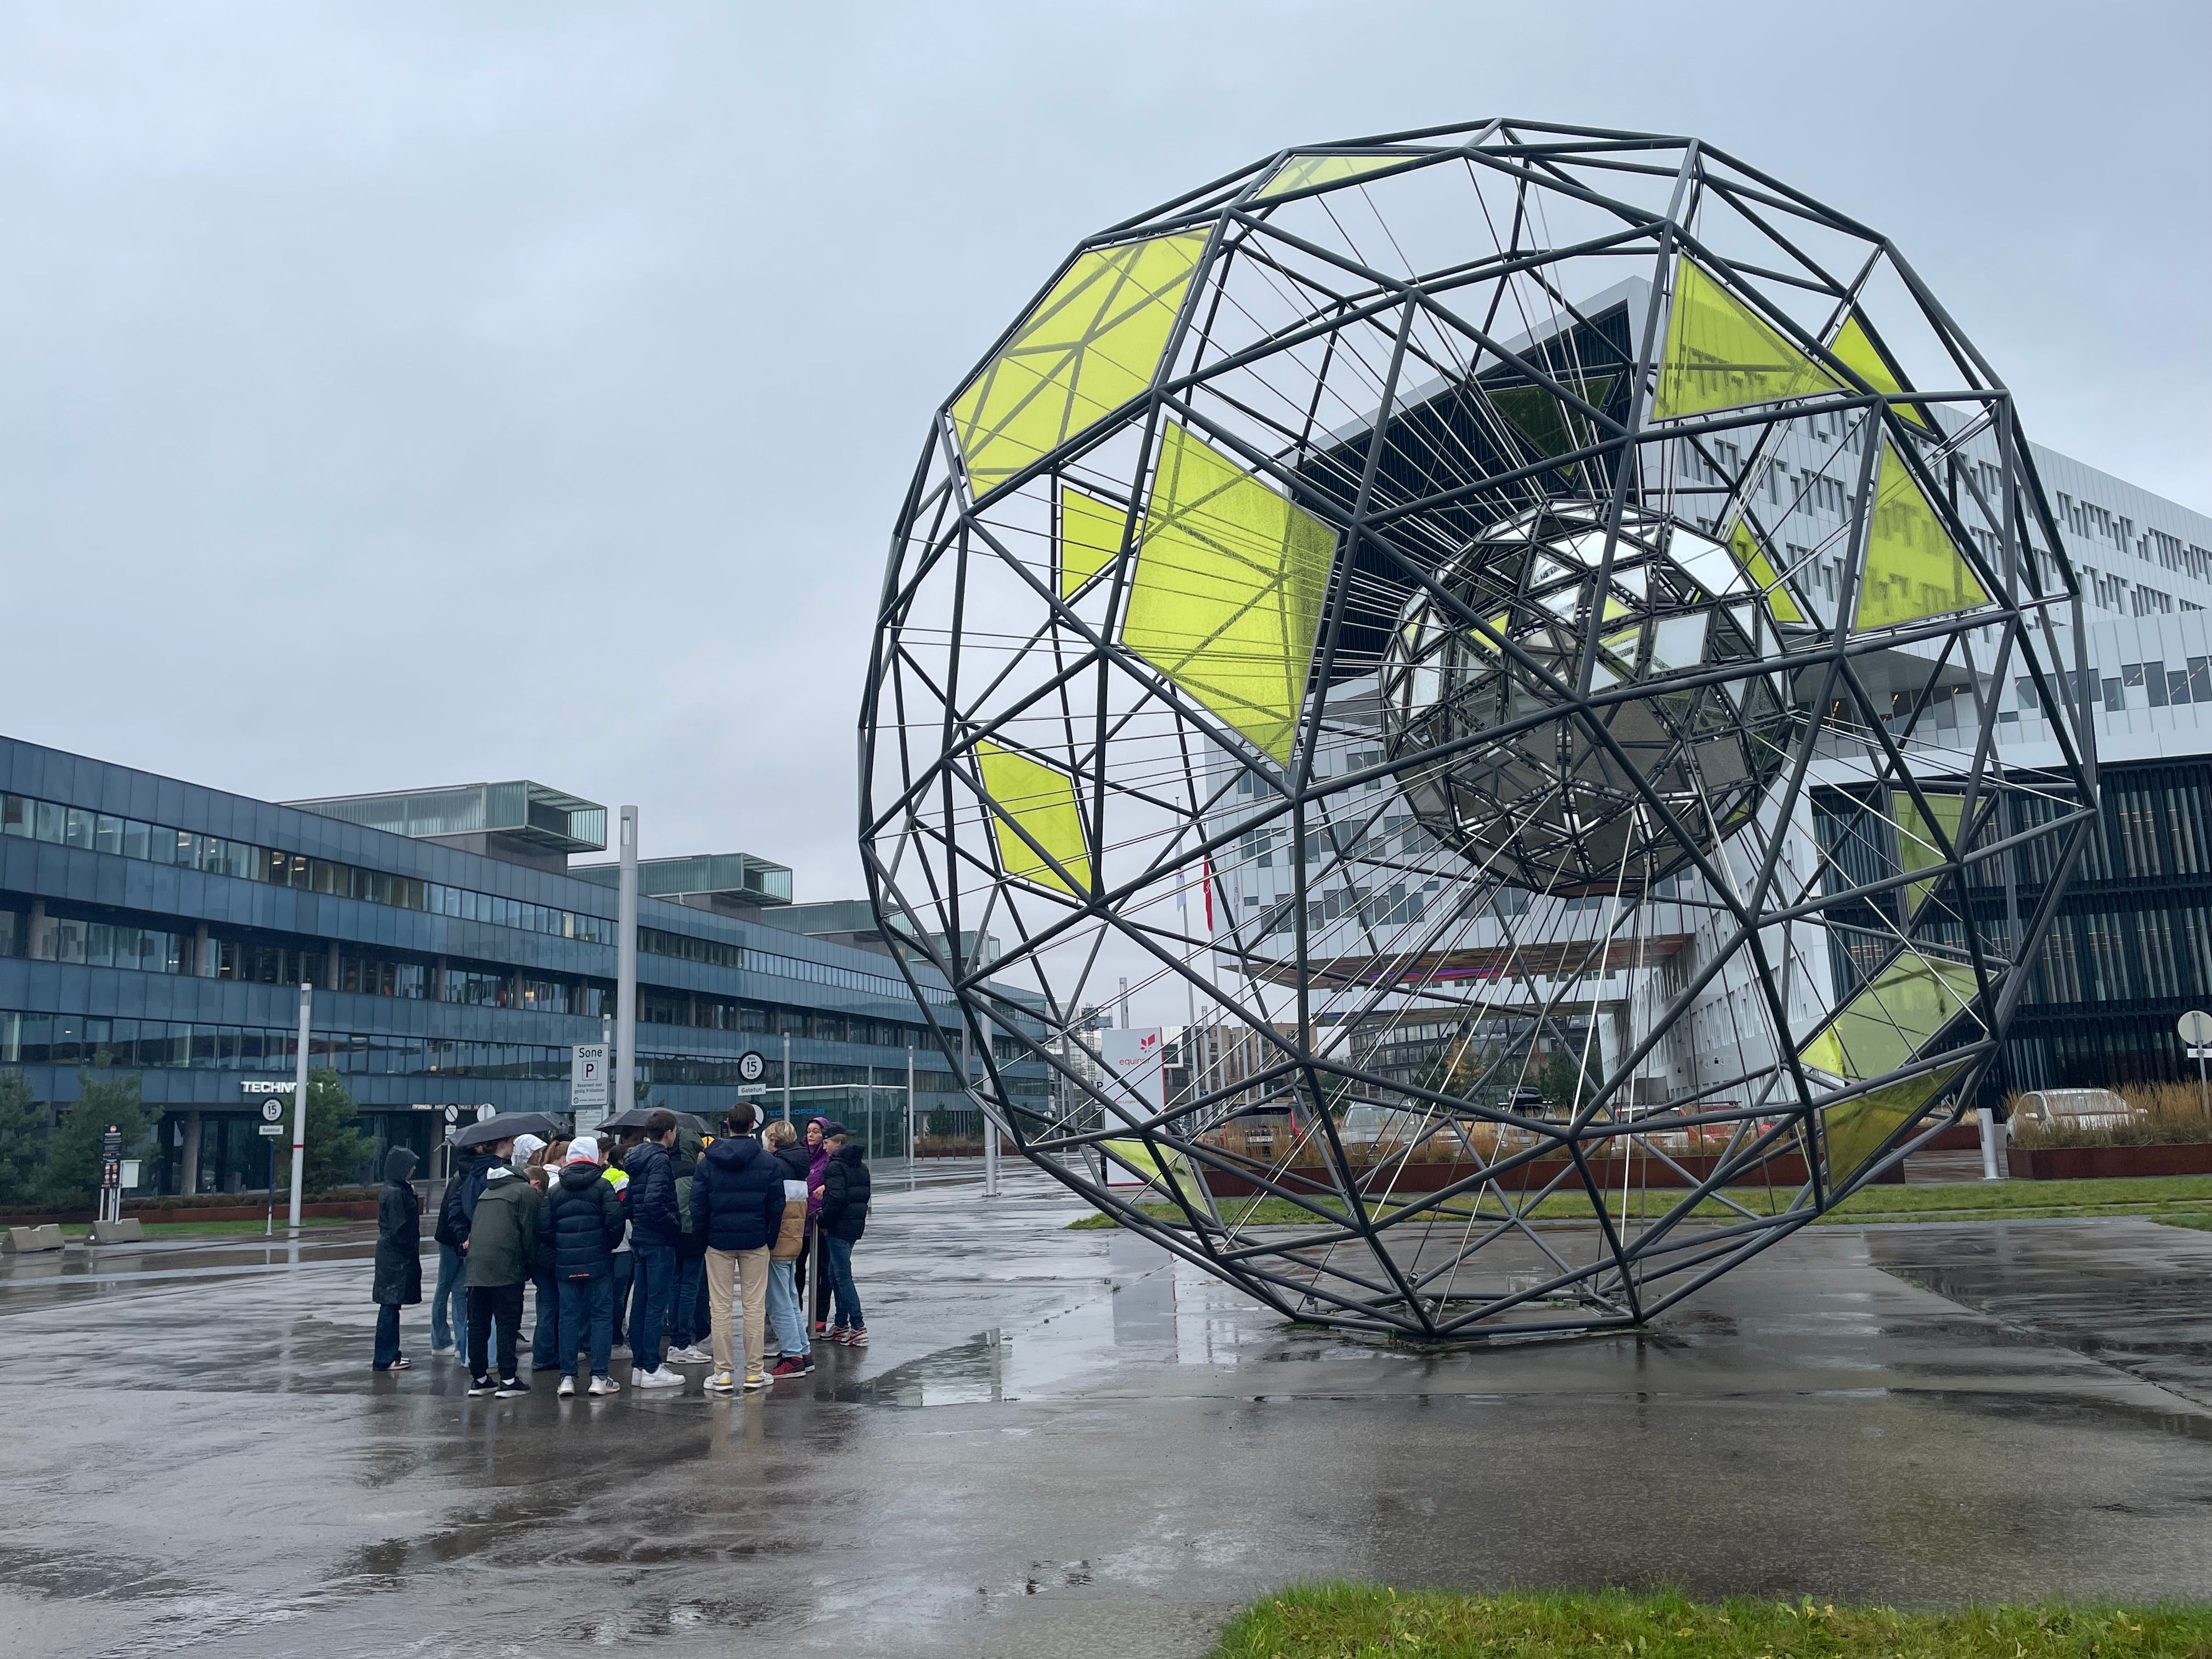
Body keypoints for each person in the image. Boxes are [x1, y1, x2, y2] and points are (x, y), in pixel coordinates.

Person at [692, 1101, 784, 1393]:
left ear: (728, 1125)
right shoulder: (767, 1162)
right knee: (754, 1307)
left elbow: (698, 1205)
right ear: (753, 1126)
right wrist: (769, 1239)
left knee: (720, 1307)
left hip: (718, 1240)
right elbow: (777, 1205)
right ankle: (754, 1372)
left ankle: (722, 1373)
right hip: (755, 1239)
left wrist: (703, 1238)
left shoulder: (708, 1162)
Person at [543, 1135, 627, 1397]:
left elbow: (545, 1227)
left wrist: (561, 1248)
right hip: (599, 1262)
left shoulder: (556, 1190)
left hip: (566, 1264)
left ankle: (567, 1378)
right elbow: (616, 1222)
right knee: (601, 1316)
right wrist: (607, 1246)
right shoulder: (603, 1187)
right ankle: (599, 1377)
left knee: (568, 1318)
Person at [463, 1136, 540, 1398]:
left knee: (478, 1324)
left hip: (475, 1268)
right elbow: (529, 1234)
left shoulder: (486, 1193)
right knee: (507, 1323)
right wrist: (529, 1267)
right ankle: (508, 1379)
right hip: (506, 1267)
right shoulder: (524, 1193)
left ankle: (479, 1379)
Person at [623, 1110, 685, 1389]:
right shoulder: (660, 1159)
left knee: (641, 1303)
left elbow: (633, 1201)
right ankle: (651, 1366)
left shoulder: (637, 1158)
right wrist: (674, 1225)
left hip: (641, 1238)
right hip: (659, 1239)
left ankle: (640, 1365)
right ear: (670, 1132)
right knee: (657, 1305)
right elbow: (654, 1201)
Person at [430, 1135, 493, 1359]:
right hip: (454, 1239)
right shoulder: (470, 1176)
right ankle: (451, 1343)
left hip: (450, 1239)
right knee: (452, 1290)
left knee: (451, 1289)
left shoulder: (460, 1176)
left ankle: (450, 1342)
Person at [761, 1121, 814, 1379]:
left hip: (778, 1241)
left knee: (778, 1302)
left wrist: (767, 1241)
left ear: (773, 1140)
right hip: (793, 1239)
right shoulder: (799, 1166)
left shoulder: (776, 1167)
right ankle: (803, 1351)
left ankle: (792, 1356)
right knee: (791, 1298)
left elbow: (771, 1207)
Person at [819, 1128, 872, 1345]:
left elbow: (837, 1198)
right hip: (854, 1226)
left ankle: (858, 1325)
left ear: (838, 1143)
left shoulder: (835, 1166)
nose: (824, 1147)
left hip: (838, 1227)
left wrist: (823, 1221)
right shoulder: (860, 1166)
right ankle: (841, 1324)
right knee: (835, 1274)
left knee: (842, 1276)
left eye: (827, 1143)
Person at [372, 1146, 422, 1370]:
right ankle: (386, 1357)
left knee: (391, 1307)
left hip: (393, 1256)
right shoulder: (396, 1193)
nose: (413, 1169)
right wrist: (408, 1250)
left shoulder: (397, 1189)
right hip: (395, 1257)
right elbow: (399, 1229)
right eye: (410, 1165)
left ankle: (389, 1355)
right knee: (390, 1307)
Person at [666, 1124, 712, 1364]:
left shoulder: (666, 1167)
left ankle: (676, 1339)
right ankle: (682, 1343)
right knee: (690, 1288)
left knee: (676, 1286)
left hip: (671, 1234)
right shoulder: (692, 1171)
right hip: (690, 1234)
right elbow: (693, 1206)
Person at [516, 1136, 560, 1374]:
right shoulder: (542, 1203)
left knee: (546, 1304)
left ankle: (545, 1352)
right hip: (547, 1261)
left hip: (536, 1261)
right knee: (550, 1306)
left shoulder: (522, 1201)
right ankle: (544, 1354)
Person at [804, 1117, 833, 1336]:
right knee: (797, 1271)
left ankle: (820, 1318)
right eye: (809, 1131)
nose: (811, 1135)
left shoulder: (829, 1159)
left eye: (816, 1131)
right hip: (802, 1223)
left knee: (823, 1271)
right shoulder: (802, 1156)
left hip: (821, 1223)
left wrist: (826, 1187)